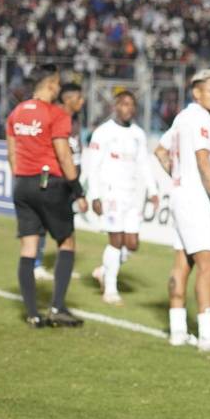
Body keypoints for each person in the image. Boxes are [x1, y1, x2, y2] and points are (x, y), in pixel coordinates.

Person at [155, 69, 210, 353]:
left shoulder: (181, 118)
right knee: (208, 265)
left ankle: (178, 330)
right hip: (194, 199)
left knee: (182, 264)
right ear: (197, 93)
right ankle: (207, 334)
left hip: (178, 196)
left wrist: (176, 176)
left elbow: (160, 150)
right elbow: (203, 161)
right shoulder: (201, 118)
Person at [5, 64, 87, 328]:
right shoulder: (56, 114)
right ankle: (57, 308)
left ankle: (32, 314)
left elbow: (12, 154)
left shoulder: (16, 113)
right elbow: (63, 155)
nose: (59, 89)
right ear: (51, 84)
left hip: (23, 184)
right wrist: (78, 191)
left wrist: (21, 179)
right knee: (66, 243)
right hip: (49, 183)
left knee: (28, 248)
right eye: (58, 84)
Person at [86, 91, 160, 306]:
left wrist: (152, 190)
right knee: (116, 241)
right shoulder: (104, 132)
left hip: (132, 195)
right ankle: (110, 289)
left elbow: (144, 164)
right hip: (111, 194)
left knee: (132, 244)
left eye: (132, 105)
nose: (129, 108)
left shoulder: (138, 134)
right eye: (124, 104)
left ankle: (104, 270)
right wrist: (95, 196)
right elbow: (94, 166)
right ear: (116, 106)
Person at [33, 82, 86, 281]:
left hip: (69, 180)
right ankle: (36, 263)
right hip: (52, 177)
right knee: (43, 221)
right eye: (79, 98)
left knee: (66, 223)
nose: (82, 102)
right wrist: (44, 181)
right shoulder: (54, 117)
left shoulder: (76, 120)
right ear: (68, 99)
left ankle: (63, 266)